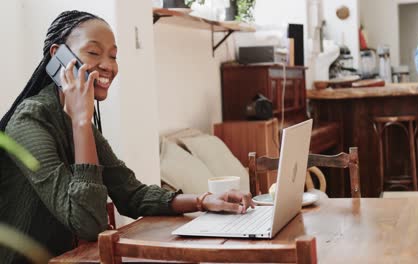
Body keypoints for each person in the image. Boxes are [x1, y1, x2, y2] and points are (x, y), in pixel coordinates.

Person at [0, 10, 254, 263]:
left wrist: (204, 200)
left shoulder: (76, 116)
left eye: (113, 56)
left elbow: (131, 193)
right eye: (93, 52)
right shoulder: (30, 120)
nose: (108, 65)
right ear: (58, 56)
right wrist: (81, 122)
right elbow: (88, 224)